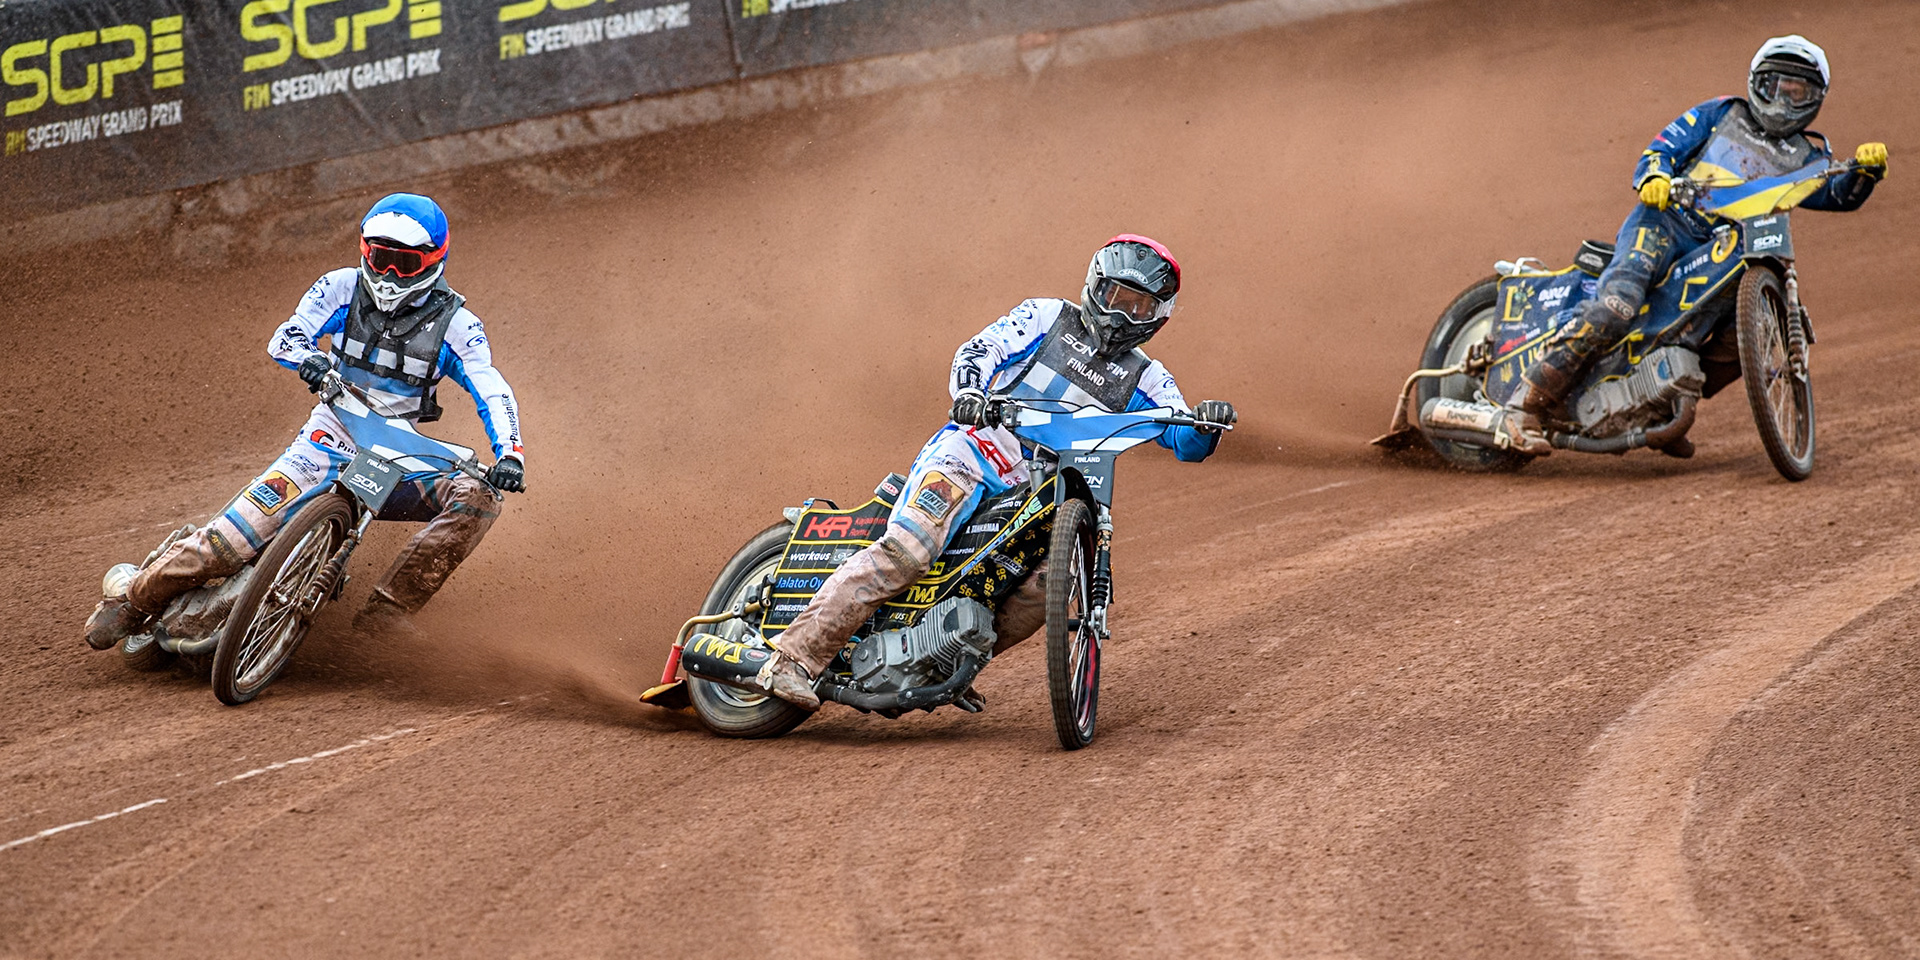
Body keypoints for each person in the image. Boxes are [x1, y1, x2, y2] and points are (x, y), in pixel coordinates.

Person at [748, 235, 1236, 709]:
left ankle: (944, 661)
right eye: (1115, 297)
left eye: (1139, 307)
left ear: (1158, 316)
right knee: (909, 550)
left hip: (1034, 492)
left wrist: (1206, 424)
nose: (1121, 315)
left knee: (1046, 587)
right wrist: (970, 392)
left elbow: (1183, 438)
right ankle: (792, 659)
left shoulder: (1148, 378)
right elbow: (981, 350)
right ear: (1095, 286)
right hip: (971, 453)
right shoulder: (1047, 316)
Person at [84, 193, 526, 650]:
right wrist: (309, 359)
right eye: (381, 259)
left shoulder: (459, 325)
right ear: (365, 251)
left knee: (479, 497)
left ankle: (385, 615)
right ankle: (131, 602)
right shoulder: (340, 287)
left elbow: (491, 389)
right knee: (228, 544)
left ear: (434, 261)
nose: (390, 274)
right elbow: (287, 336)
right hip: (327, 439)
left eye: (405, 263)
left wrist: (510, 454)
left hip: (398, 459)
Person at [1505, 35, 1888, 454]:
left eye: (1798, 93)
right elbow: (1661, 149)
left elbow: (1836, 196)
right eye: (1776, 86)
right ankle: (1523, 406)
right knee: (1617, 307)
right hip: (1665, 223)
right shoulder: (1722, 113)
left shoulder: (1808, 158)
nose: (1783, 101)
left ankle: (1660, 404)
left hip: (1729, 249)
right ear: (1756, 82)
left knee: (1747, 336)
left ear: (1816, 99)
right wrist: (1655, 177)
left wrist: (1865, 172)